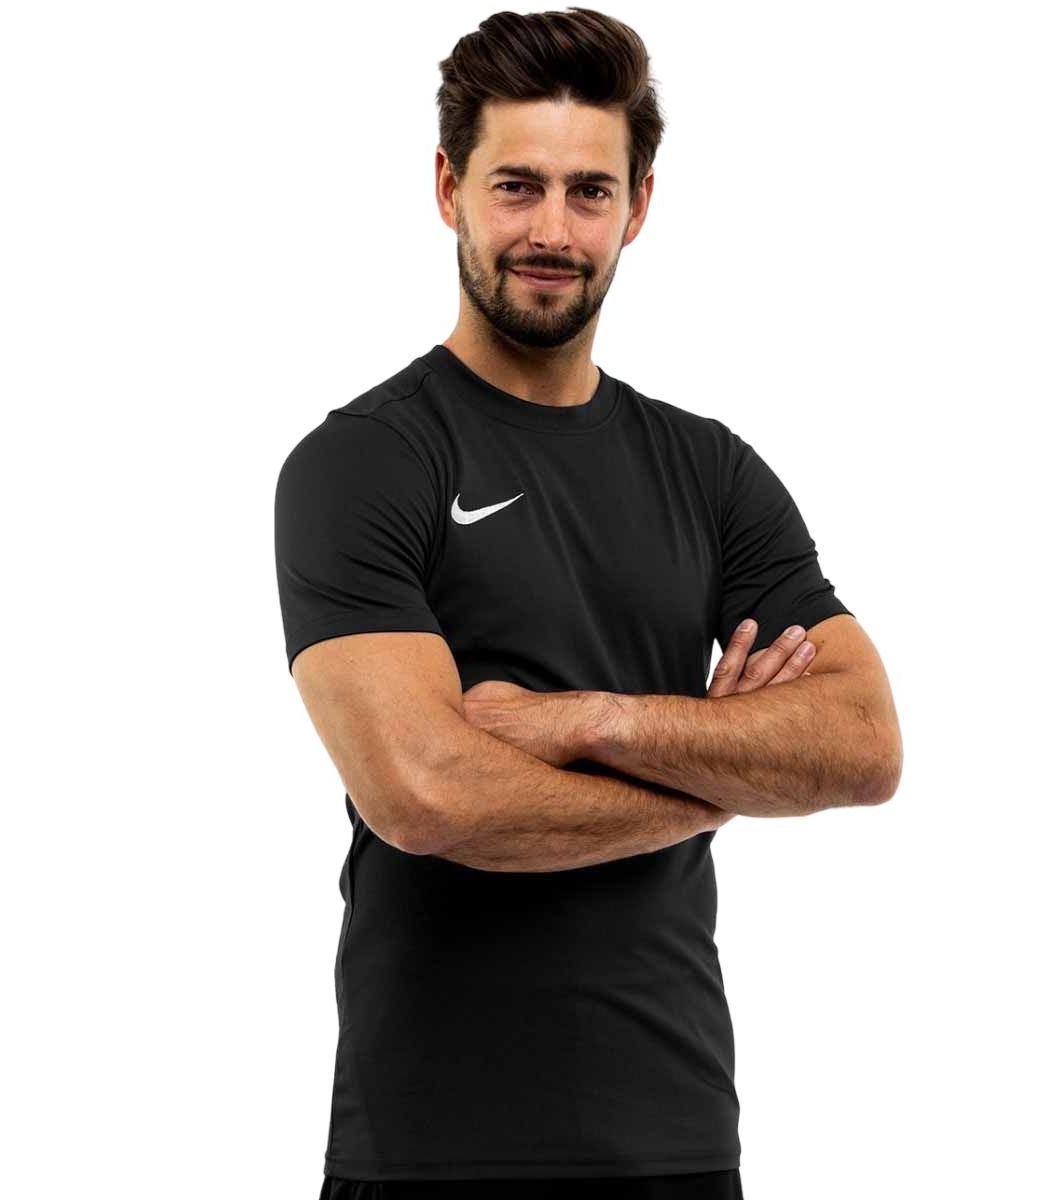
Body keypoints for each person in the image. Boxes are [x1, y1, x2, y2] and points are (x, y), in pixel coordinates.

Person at [273, 8, 902, 1198]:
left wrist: (582, 721)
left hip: (677, 1140)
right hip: (429, 1153)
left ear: (639, 206)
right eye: (517, 187)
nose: (552, 232)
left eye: (589, 192)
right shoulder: (365, 463)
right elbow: (428, 795)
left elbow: (863, 745)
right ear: (450, 189)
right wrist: (725, 775)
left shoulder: (711, 472)